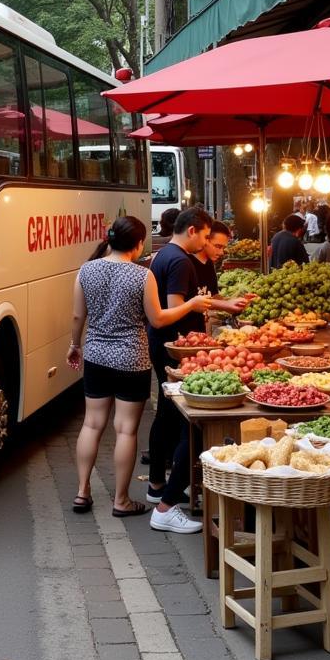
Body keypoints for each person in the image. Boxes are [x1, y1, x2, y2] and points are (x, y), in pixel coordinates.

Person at [68, 216, 200, 517]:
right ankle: (121, 500)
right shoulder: (142, 275)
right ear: (139, 244)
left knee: (92, 424)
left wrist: (75, 345)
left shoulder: (86, 270)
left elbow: (78, 317)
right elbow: (157, 319)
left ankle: (82, 492)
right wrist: (190, 305)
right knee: (126, 430)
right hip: (132, 358)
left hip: (96, 355)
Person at [145, 206, 215, 534]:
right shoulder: (180, 261)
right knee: (190, 423)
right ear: (192, 231)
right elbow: (173, 309)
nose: (205, 241)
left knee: (169, 417)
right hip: (175, 347)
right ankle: (166, 501)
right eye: (204, 235)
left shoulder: (163, 255)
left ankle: (159, 485)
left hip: (164, 345)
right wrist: (194, 306)